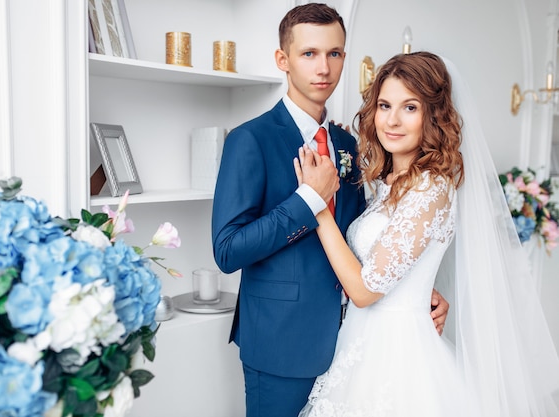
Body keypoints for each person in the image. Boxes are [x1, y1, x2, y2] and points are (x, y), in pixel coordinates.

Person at [211, 5, 449, 417]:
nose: (324, 67)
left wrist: (413, 282)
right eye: (309, 54)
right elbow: (228, 250)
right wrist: (308, 201)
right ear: (283, 60)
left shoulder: (349, 144)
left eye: (335, 53)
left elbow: (359, 234)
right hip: (281, 344)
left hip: (353, 342)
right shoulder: (250, 140)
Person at [294, 51, 559, 417]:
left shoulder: (430, 189)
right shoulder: (389, 183)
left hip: (399, 357)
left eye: (410, 108)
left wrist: (317, 204)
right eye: (385, 105)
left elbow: (364, 290)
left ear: (432, 116)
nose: (393, 120)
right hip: (362, 345)